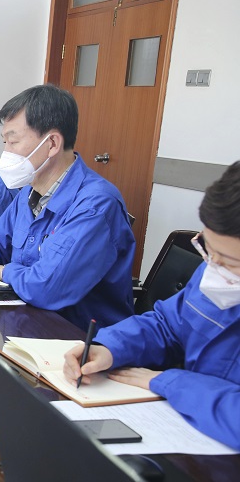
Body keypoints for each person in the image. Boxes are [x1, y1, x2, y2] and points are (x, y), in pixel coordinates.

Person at [0, 85, 135, 329]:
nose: (6, 153)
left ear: (52, 143)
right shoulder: (29, 193)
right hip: (24, 319)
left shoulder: (96, 205)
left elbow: (47, 286)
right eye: (5, 142)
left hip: (77, 337)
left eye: (13, 142)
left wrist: (4, 272)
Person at [63, 161, 240, 450]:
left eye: (230, 262)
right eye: (207, 248)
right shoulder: (216, 272)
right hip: (186, 432)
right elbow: (168, 325)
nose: (213, 266)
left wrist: (170, 383)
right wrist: (110, 348)